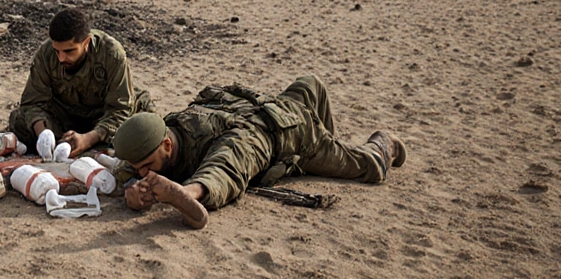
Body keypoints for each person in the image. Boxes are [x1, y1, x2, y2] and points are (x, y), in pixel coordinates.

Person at [112, 75, 406, 229]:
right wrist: (131, 191)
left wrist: (183, 194)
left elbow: (222, 171)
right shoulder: (168, 128)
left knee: (369, 167)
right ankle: (320, 118)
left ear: (166, 146)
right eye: (139, 167)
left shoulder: (236, 142)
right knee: (308, 85)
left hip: (293, 134)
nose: (143, 173)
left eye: (147, 165)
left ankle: (384, 141)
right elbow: (128, 166)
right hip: (264, 105)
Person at [7, 8, 154, 156]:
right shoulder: (46, 54)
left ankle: (88, 144)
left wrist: (89, 138)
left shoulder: (112, 54)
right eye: (57, 51)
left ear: (86, 42)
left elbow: (120, 109)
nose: (61, 58)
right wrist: (43, 134)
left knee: (141, 127)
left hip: (102, 115)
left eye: (69, 51)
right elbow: (32, 103)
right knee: (20, 121)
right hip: (65, 115)